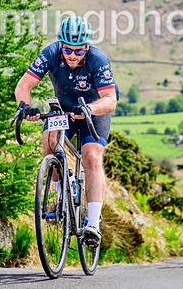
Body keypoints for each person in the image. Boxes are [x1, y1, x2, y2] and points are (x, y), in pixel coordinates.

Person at [15, 15, 118, 247]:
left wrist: (90, 108)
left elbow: (110, 100)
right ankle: (63, 197)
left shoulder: (98, 59)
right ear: (61, 44)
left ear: (87, 47)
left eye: (79, 51)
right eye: (68, 50)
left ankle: (92, 223)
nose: (72, 55)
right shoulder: (50, 53)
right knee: (49, 144)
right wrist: (26, 106)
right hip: (64, 110)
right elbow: (23, 86)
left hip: (94, 109)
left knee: (92, 157)